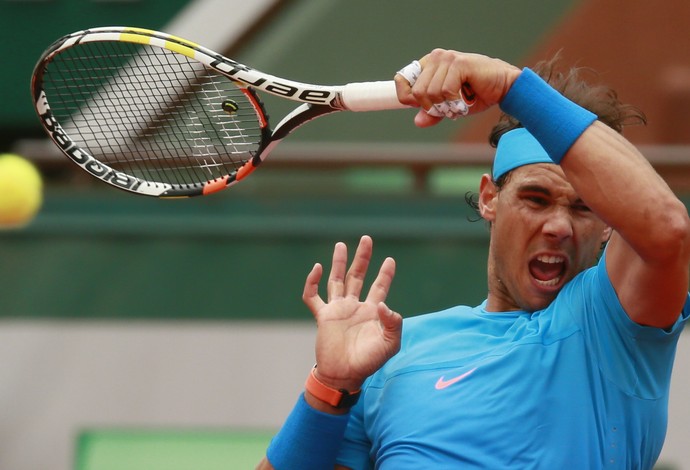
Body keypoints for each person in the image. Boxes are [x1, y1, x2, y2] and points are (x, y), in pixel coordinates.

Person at [256, 49, 690, 469]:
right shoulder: (391, 354)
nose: (559, 226)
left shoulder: (616, 324)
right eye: (535, 199)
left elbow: (667, 227)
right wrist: (329, 388)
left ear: (610, 224)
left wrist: (510, 85)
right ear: (489, 199)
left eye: (582, 208)